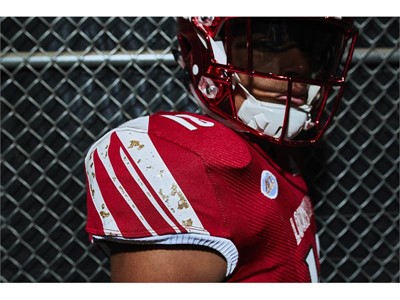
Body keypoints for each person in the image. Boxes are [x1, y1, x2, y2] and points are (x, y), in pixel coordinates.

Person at [84, 17, 358, 282]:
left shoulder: (278, 151)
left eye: (313, 50)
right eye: (265, 46)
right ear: (203, 50)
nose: (299, 66)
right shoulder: (193, 162)